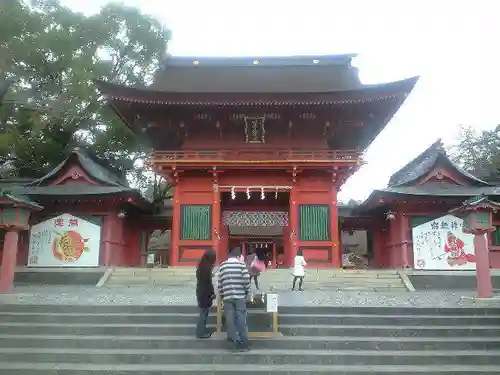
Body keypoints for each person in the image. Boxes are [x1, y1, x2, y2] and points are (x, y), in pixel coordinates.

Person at [218, 246, 251, 351]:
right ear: (238, 256)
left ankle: (232, 344)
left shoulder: (222, 266)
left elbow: (220, 283)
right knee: (241, 319)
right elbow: (246, 280)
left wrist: (222, 294)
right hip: (240, 296)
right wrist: (246, 290)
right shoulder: (241, 265)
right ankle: (243, 343)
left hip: (227, 297)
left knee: (230, 320)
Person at [195, 248, 217, 339]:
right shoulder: (207, 268)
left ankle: (202, 329)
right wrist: (212, 293)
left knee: (203, 312)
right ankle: (200, 332)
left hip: (200, 291)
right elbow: (208, 283)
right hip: (205, 293)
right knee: (204, 313)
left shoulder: (201, 266)